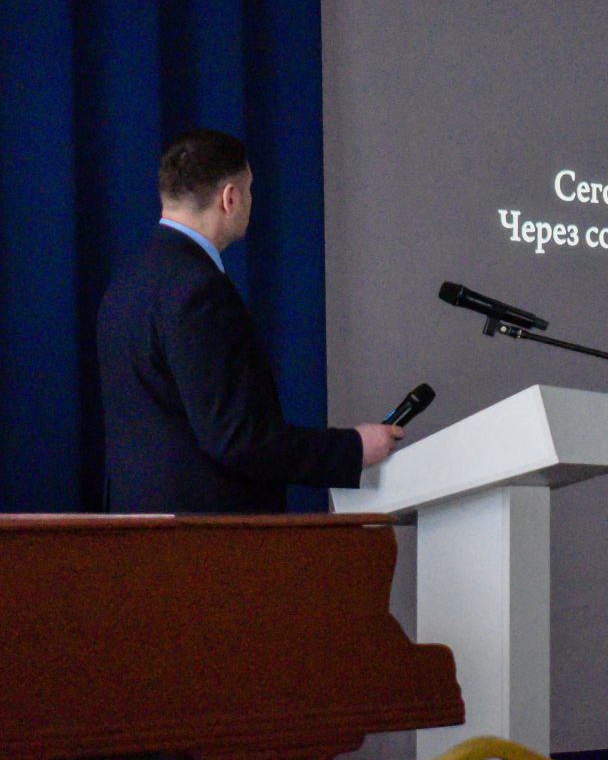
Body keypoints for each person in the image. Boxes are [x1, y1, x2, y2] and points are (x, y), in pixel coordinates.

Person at [97, 129, 403, 512]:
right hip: (204, 533)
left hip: (138, 526)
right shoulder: (198, 290)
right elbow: (237, 438)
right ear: (230, 197)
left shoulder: (126, 282)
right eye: (250, 190)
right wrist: (354, 448)